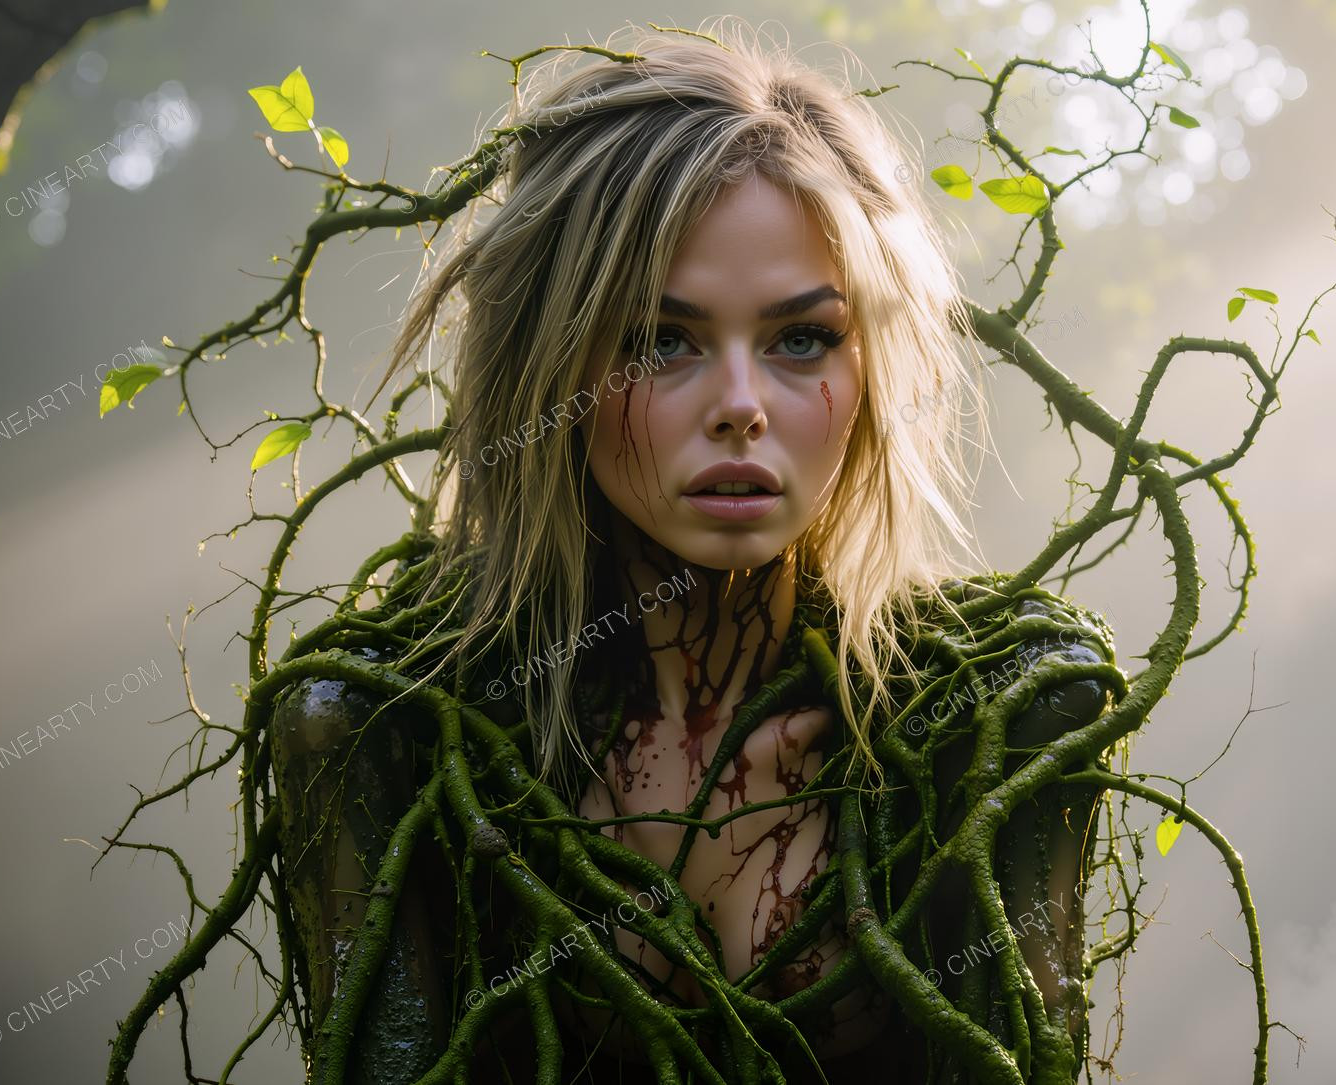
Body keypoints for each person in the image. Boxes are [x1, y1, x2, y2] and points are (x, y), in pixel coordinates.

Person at [269, 19, 1116, 1083]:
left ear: (872, 366)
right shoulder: (383, 723)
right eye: (659, 340)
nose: (740, 409)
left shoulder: (997, 707)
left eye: (800, 337)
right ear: (545, 368)